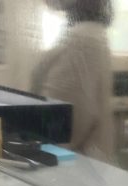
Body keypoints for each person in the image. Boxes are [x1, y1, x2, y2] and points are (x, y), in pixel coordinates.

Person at [32, 0, 115, 160]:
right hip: (78, 160)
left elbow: (66, 123)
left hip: (70, 163)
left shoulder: (83, 41)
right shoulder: (87, 36)